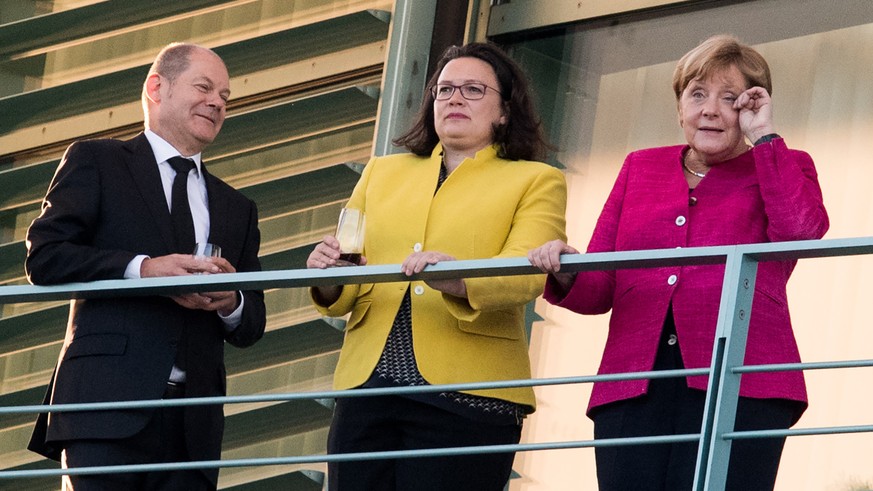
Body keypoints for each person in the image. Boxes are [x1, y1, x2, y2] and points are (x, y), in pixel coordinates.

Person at [528, 34, 828, 490]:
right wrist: (566, 268)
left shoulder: (783, 163)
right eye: (697, 94)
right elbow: (600, 287)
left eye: (730, 99)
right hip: (634, 382)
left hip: (742, 380)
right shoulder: (639, 167)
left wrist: (763, 134)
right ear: (679, 106)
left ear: (750, 107)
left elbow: (801, 231)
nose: (710, 109)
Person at [307, 42, 567, 490]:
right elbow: (347, 280)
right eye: (444, 90)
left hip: (470, 394)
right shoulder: (381, 173)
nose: (454, 99)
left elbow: (528, 271)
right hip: (368, 390)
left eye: (472, 89)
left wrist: (459, 277)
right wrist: (328, 274)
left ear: (505, 111)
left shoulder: (537, 179)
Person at [25, 43, 266, 490]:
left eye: (226, 97)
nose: (218, 102)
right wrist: (143, 269)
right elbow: (45, 256)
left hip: (191, 428)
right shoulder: (97, 161)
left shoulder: (238, 207)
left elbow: (252, 322)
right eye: (205, 87)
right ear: (157, 87)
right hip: (103, 407)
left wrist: (231, 300)